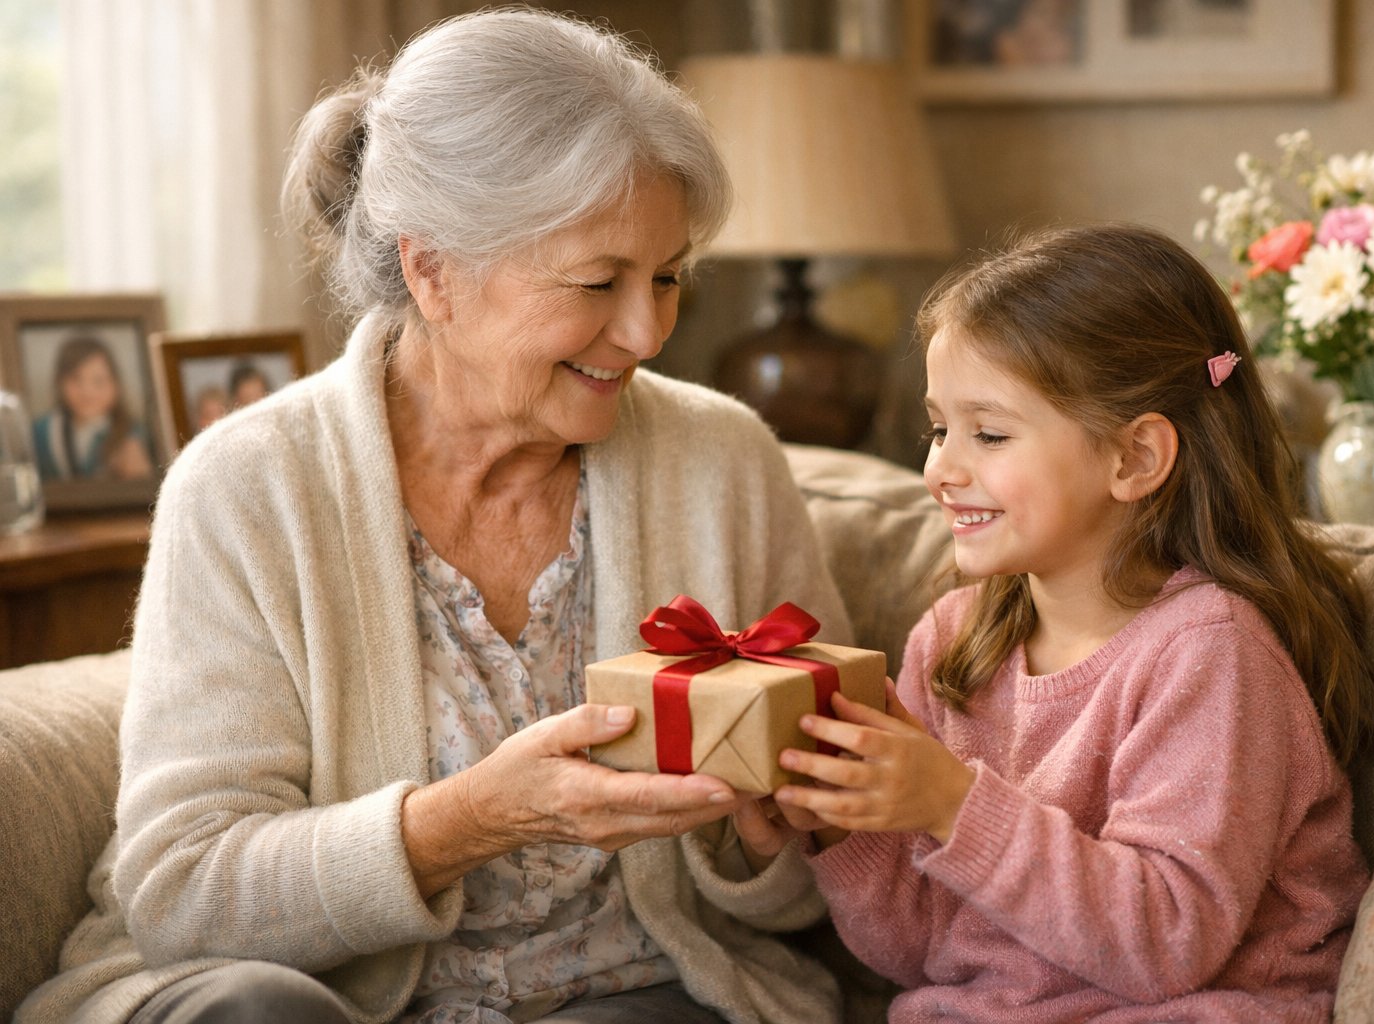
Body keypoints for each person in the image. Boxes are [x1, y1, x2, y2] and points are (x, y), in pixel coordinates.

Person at [19, 9, 853, 1024]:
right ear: (433, 271)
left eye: (668, 277)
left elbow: (835, 877)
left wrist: (771, 840)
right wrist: (462, 822)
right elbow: (184, 886)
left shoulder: (723, 461)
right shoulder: (247, 488)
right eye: (598, 281)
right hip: (322, 998)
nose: (646, 331)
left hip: (621, 991)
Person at [763, 224, 1374, 1022]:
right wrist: (842, 831)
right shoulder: (952, 643)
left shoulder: (1211, 652)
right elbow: (920, 951)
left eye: (988, 434)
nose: (942, 469)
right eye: (938, 428)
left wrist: (952, 804)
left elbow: (1164, 943)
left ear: (1133, 459)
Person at [31, 334, 154, 482]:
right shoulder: (41, 432)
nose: (87, 392)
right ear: (59, 382)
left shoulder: (132, 432)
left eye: (99, 381)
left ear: (116, 384)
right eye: (76, 379)